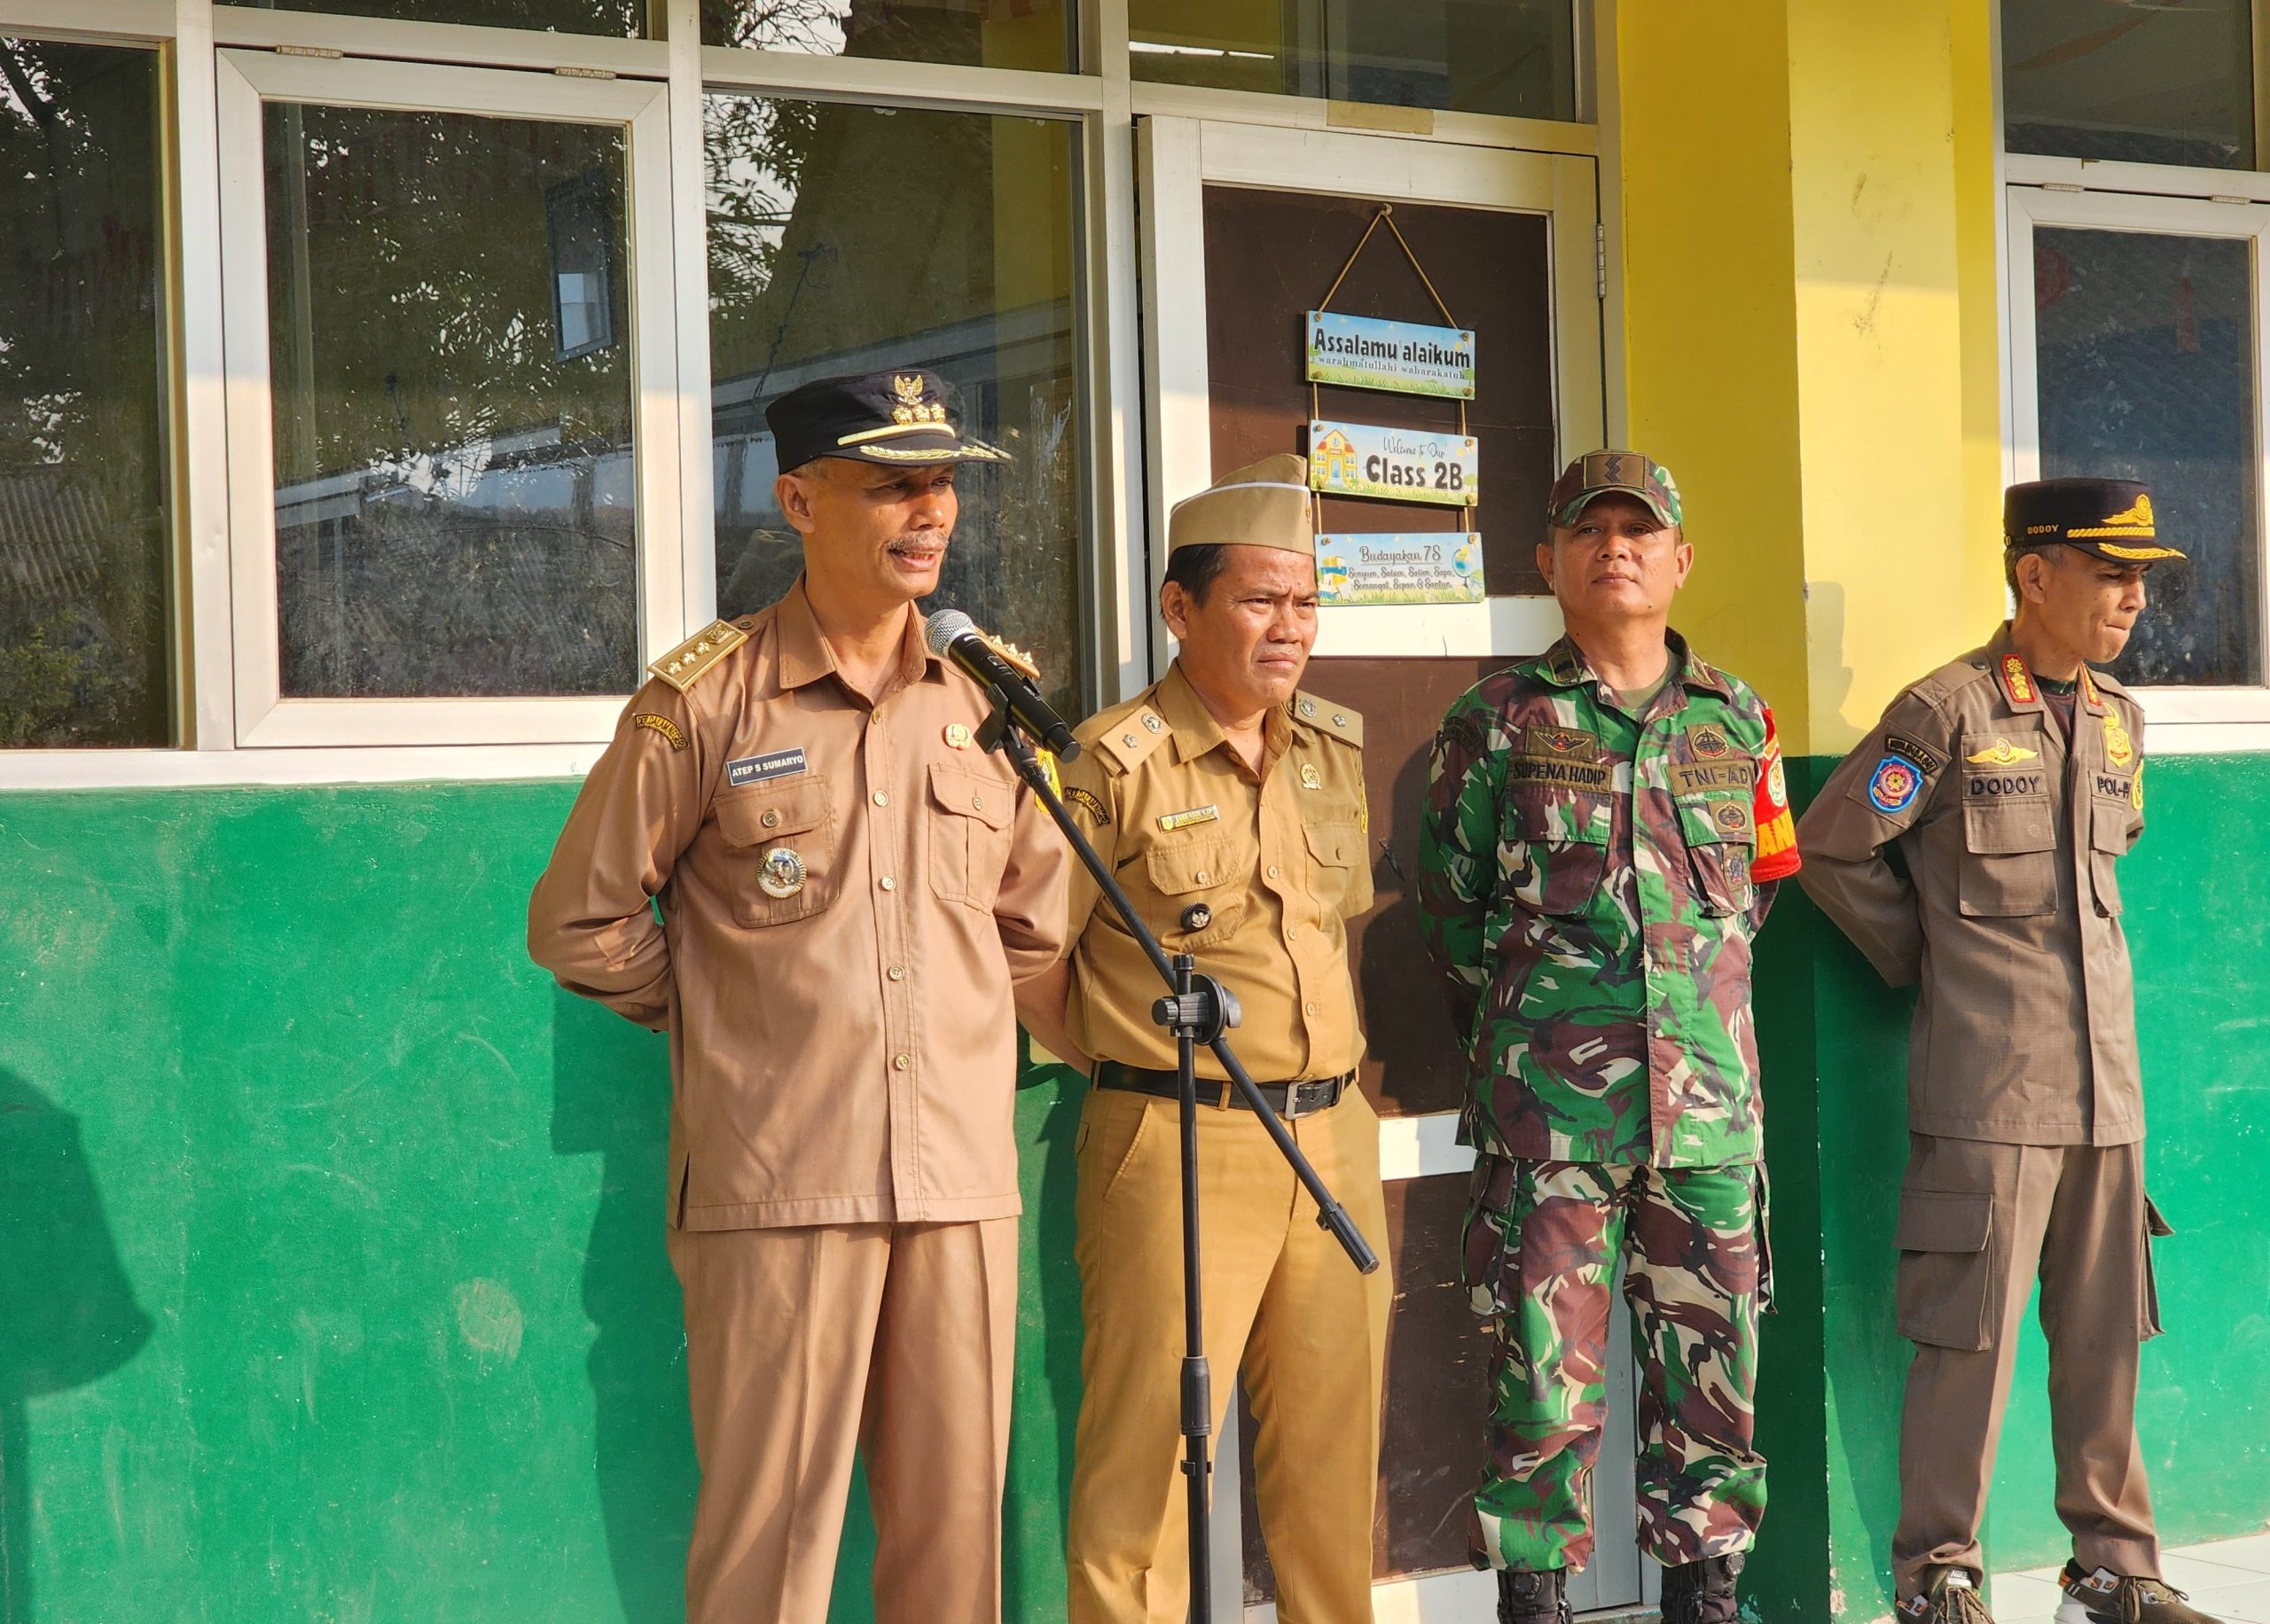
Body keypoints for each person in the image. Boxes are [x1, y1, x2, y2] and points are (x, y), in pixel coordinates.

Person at [526, 370, 1068, 1624]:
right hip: (781, 1180)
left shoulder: (989, 701)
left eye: (942, 484)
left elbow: (1033, 925)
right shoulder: (704, 702)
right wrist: (733, 1016)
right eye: (893, 486)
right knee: (769, 1554)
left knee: (957, 1547)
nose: (930, 513)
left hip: (955, 1183)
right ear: (799, 502)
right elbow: (581, 921)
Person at [1796, 479, 2219, 1624]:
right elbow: (1831, 848)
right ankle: (1939, 1575)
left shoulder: (2121, 720)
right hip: (1988, 1094)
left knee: (2106, 1345)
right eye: (2112, 574)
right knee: (1966, 1349)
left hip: (2107, 1096)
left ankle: (2114, 1573)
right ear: (2035, 575)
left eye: (2143, 579)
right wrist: (1925, 958)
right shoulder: (1947, 713)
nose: (2134, 599)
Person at [1417, 450, 1800, 1624]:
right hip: (1552, 1126)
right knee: (1540, 1396)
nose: (1616, 549)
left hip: (1709, 1123)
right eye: (1591, 531)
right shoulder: (1496, 721)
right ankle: (1536, 1605)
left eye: (1640, 532)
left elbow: (1757, 898)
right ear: (1549, 560)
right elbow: (1453, 913)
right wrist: (1538, 1030)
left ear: (1682, 560)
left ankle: (1706, 1601)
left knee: (1714, 1398)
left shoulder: (1740, 720)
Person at [1014, 454, 1392, 1624]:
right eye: (1260, 599)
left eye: (1306, 601)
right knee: (1145, 1483)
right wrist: (1129, 1062)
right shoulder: (1109, 763)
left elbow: (1332, 930)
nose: (1292, 627)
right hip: (1180, 1141)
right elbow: (1029, 956)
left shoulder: (1329, 748)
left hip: (1332, 1139)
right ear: (1181, 608)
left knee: (1332, 1471)